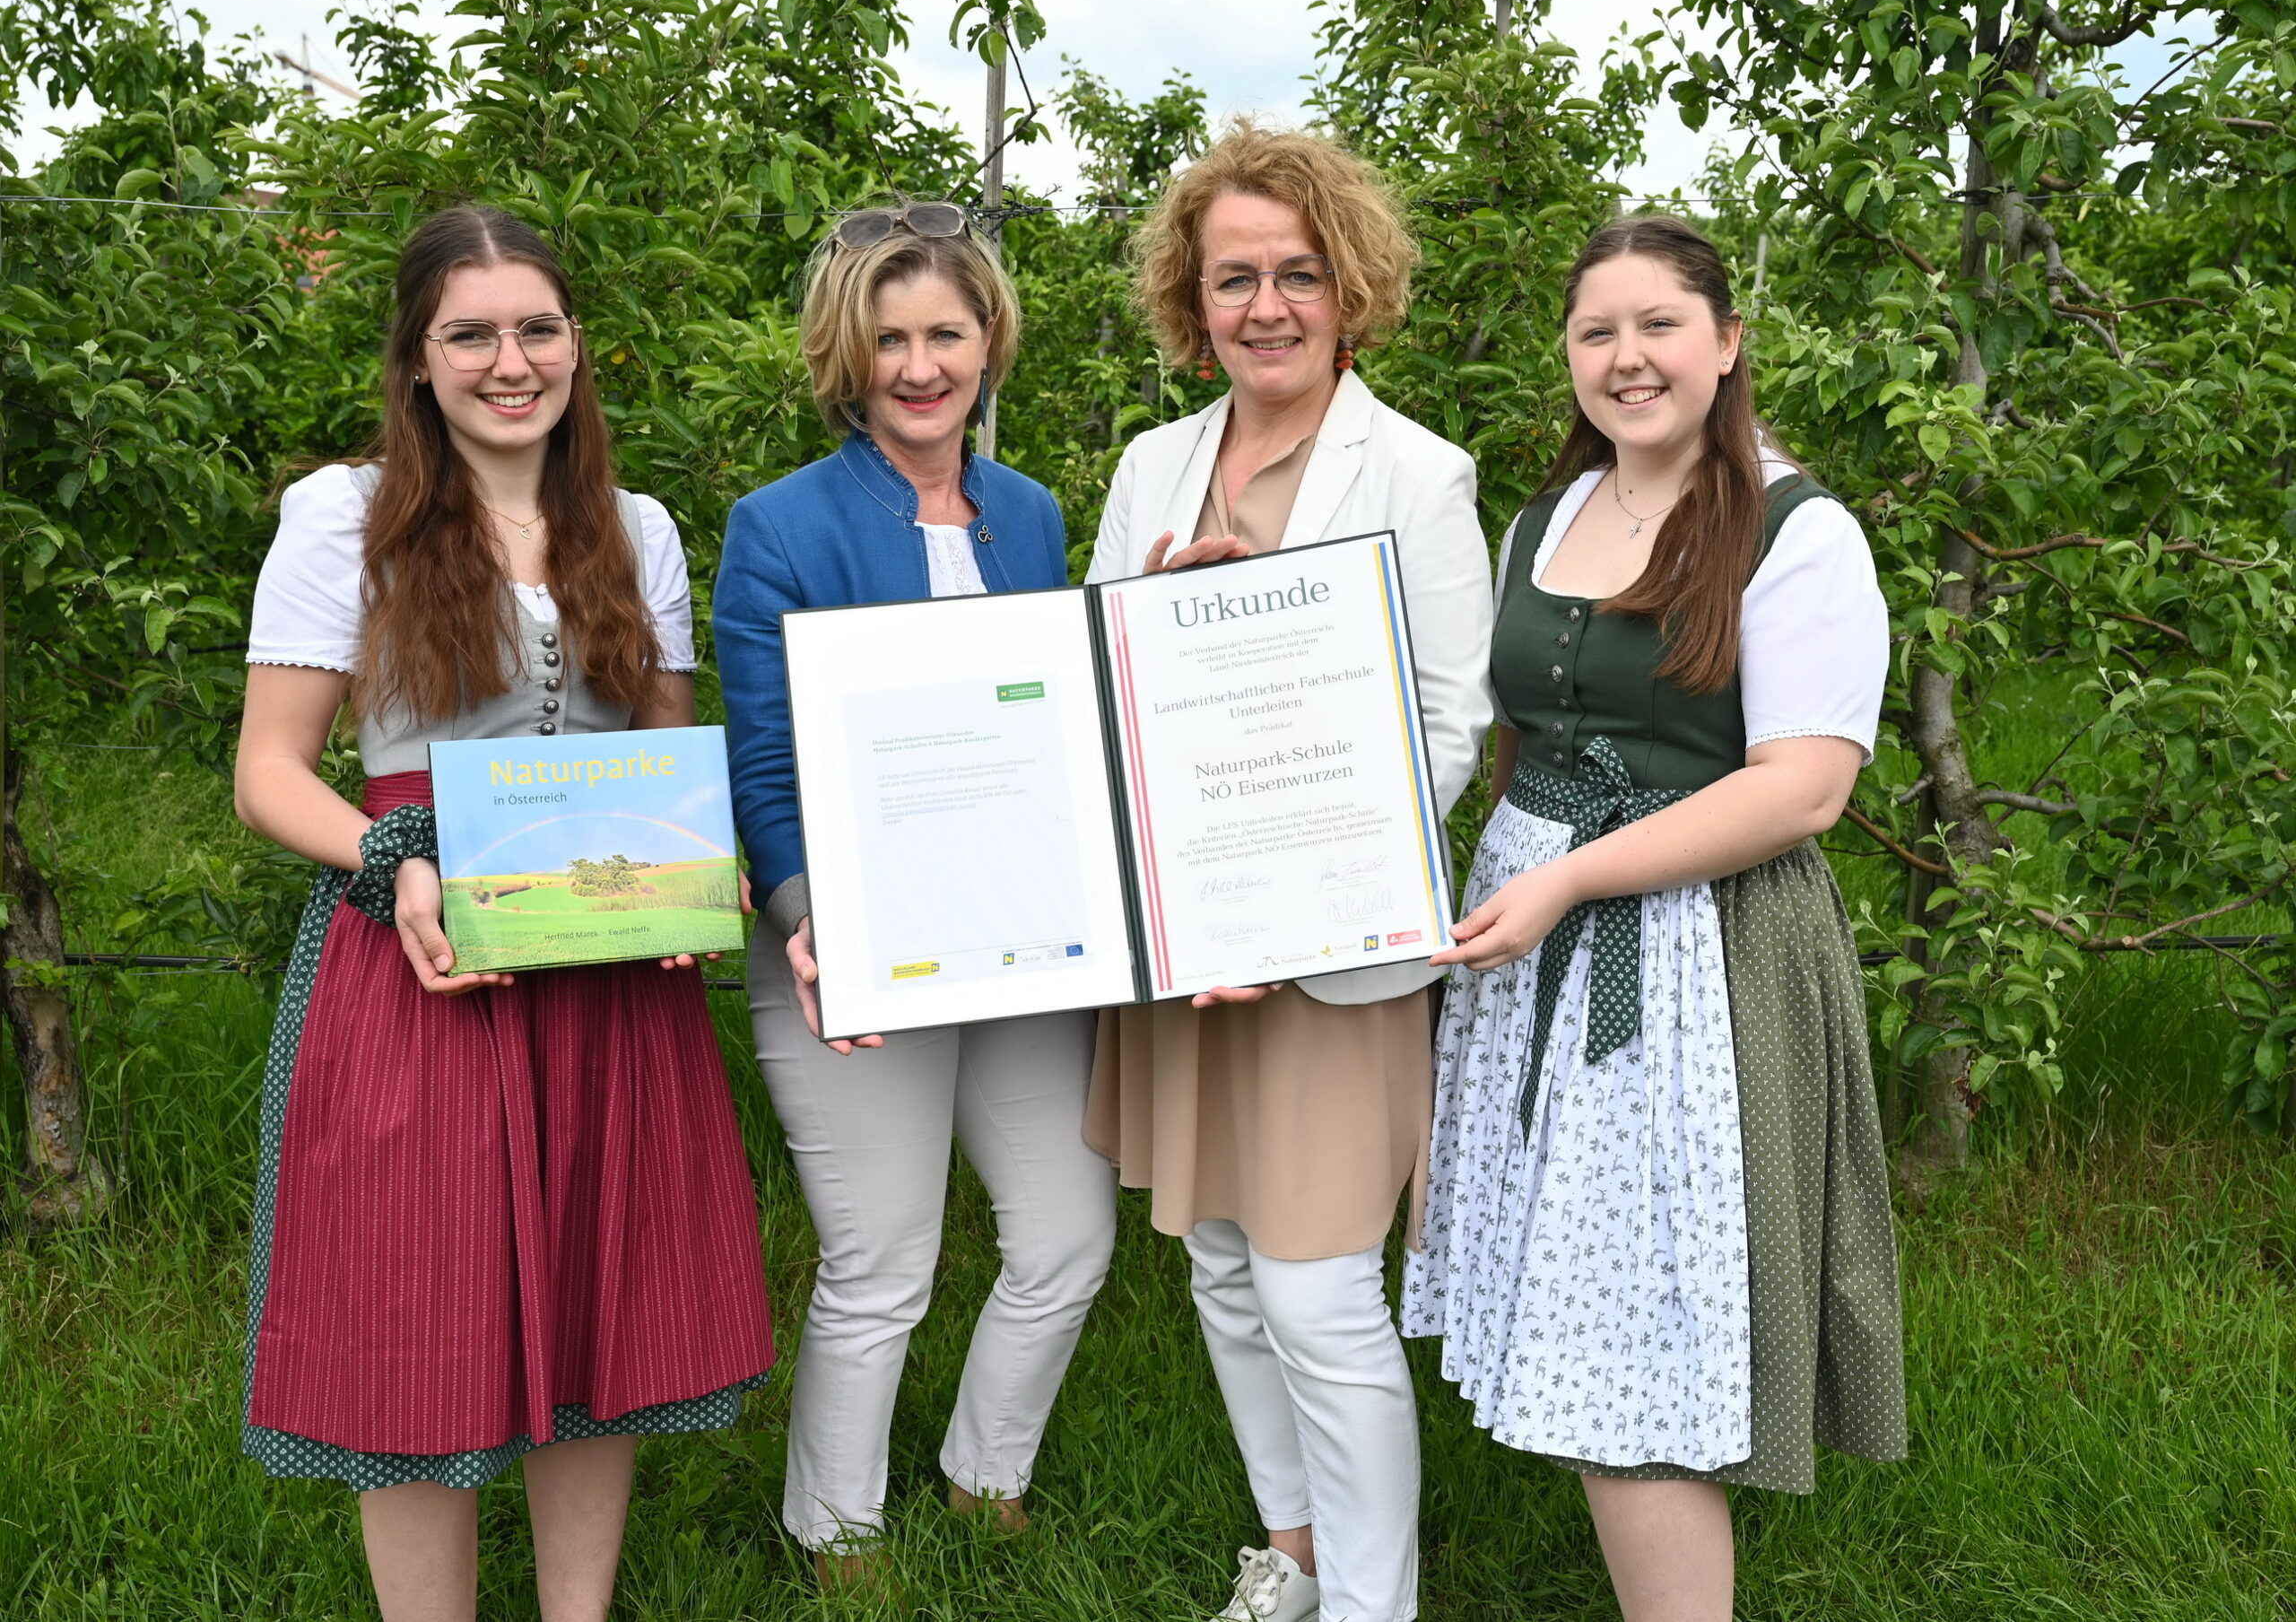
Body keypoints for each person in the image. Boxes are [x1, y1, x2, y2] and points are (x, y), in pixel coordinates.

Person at [233, 205, 774, 1622]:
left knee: (596, 1299)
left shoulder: (636, 529)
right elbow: (269, 772)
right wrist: (390, 862)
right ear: (417, 359)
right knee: (417, 1306)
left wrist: (691, 881)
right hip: (420, 951)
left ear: (577, 346)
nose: (508, 361)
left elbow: (662, 762)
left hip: (603, 960)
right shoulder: (343, 515)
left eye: (536, 328)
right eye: (469, 334)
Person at [1402, 214, 1908, 1622]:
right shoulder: (1548, 515)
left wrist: (1567, 879)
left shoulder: (1799, 533)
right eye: (1596, 332)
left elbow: (1802, 791)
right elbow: (1510, 737)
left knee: (1635, 1357)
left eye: (1660, 326)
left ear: (1729, 344)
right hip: (1529, 954)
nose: (1627, 358)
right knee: (1581, 1319)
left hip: (1695, 961)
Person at [1083, 123, 1494, 1622]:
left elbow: (1450, 725)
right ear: (1193, 302)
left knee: (1323, 1295)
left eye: (1298, 275)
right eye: (1234, 278)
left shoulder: (1421, 473)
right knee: (1224, 1271)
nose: (1267, 306)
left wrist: (1300, 888)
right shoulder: (1154, 467)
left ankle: (1378, 1607)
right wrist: (1151, 614)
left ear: (1351, 288)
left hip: (1326, 949)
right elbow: (1095, 688)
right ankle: (1298, 1558)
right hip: (1189, 948)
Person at [713, 201, 1118, 1582]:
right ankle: (837, 1534)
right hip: (849, 946)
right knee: (881, 1258)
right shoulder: (777, 527)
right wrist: (803, 916)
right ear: (848, 357)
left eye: (945, 332)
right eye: (888, 340)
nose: (919, 364)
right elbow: (762, 761)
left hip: (1015, 941)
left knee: (1068, 1231)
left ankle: (981, 1474)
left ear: (989, 339)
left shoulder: (1034, 516)